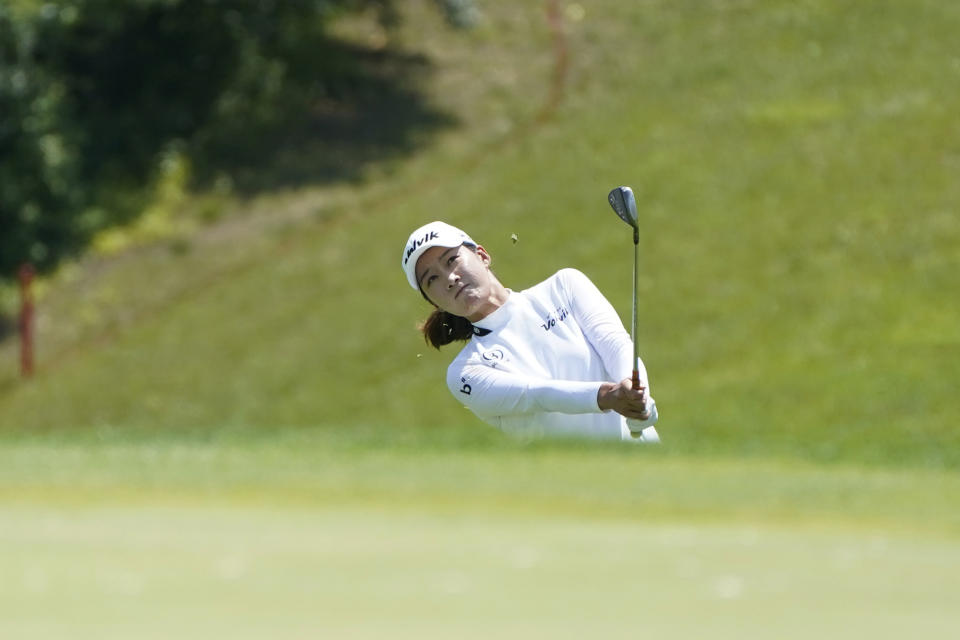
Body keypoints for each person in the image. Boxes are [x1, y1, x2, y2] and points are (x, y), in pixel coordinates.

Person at [401, 221, 659, 442]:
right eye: (431, 279)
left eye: (451, 260)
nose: (449, 278)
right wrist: (610, 396)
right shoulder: (465, 372)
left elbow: (616, 345)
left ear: (482, 255)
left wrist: (637, 394)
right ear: (434, 302)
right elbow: (535, 395)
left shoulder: (564, 287)